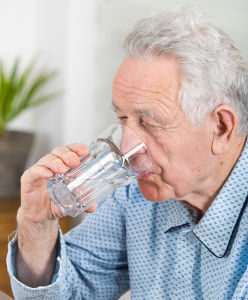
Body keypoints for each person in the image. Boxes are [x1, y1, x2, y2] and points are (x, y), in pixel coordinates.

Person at [7, 6, 248, 300]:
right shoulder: (136, 195)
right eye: (123, 119)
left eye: (149, 123)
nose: (127, 149)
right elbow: (67, 293)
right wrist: (36, 226)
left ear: (221, 127)